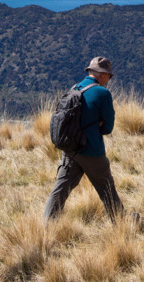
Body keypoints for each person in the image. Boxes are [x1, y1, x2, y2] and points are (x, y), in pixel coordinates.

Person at [44, 56, 125, 222]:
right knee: (107, 188)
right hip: (92, 150)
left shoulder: (75, 88)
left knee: (60, 189)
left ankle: (47, 227)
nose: (109, 79)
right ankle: (122, 224)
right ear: (102, 74)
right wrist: (99, 125)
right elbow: (108, 128)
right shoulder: (103, 93)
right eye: (108, 75)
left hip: (71, 148)